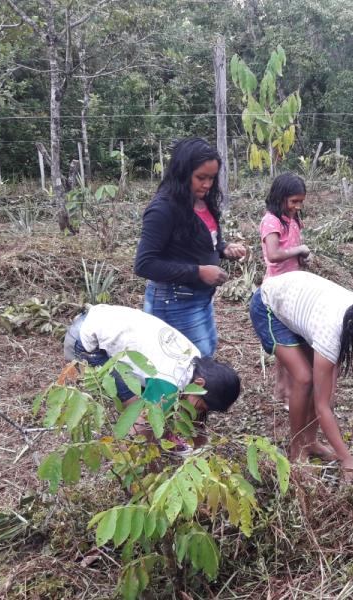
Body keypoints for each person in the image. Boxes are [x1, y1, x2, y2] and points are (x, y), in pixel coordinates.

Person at [248, 271, 353, 481]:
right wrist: (347, 459)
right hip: (268, 307)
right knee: (304, 378)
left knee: (320, 387)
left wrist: (327, 408)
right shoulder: (332, 329)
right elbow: (322, 408)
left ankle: (310, 442)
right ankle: (297, 450)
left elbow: (327, 397)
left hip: (298, 308)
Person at [62, 304, 241, 445]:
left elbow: (198, 418)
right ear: (200, 384)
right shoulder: (170, 380)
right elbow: (138, 429)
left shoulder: (195, 360)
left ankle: (162, 437)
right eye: (201, 406)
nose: (199, 410)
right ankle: (146, 453)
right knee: (137, 411)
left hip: (101, 317)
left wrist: (202, 448)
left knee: (158, 409)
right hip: (87, 341)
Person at [134, 137, 247, 358]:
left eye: (212, 178)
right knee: (189, 368)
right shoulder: (163, 210)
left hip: (198, 298)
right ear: (183, 173)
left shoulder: (202, 202)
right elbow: (144, 265)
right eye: (201, 178)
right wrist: (199, 272)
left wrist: (223, 249)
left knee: (203, 358)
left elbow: (199, 243)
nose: (207, 184)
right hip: (173, 300)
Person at [259, 173, 311, 409]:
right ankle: (287, 390)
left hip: (294, 284)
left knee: (289, 339)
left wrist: (303, 258)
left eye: (300, 202)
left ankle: (282, 388)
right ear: (280, 198)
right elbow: (273, 254)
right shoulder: (271, 221)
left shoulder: (292, 219)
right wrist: (299, 249)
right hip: (278, 288)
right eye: (293, 202)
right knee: (289, 341)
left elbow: (291, 251)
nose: (297, 206)